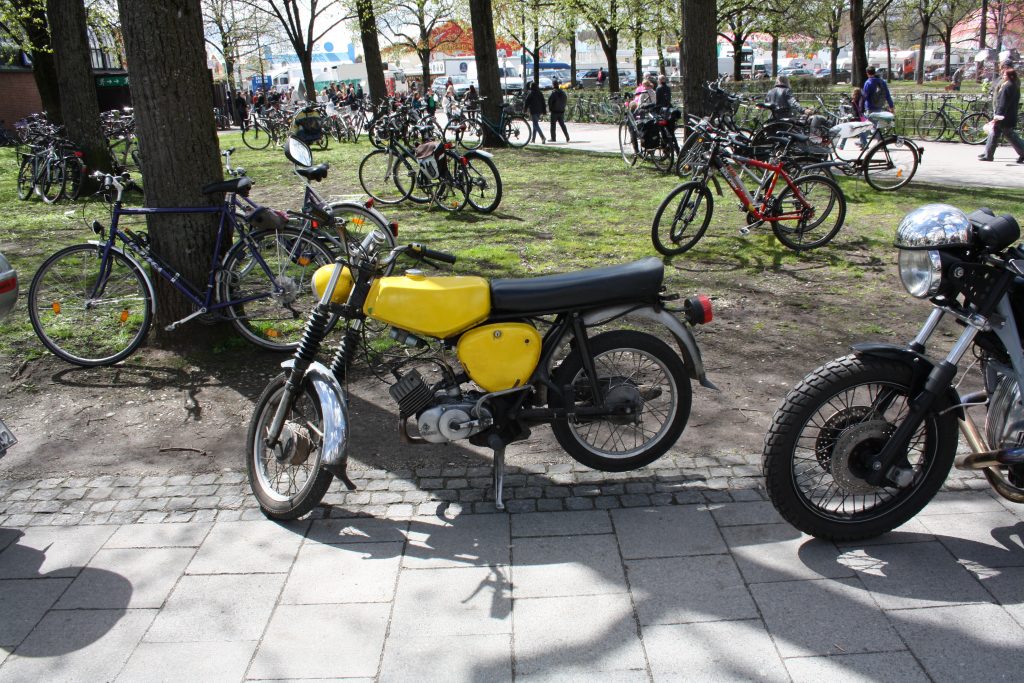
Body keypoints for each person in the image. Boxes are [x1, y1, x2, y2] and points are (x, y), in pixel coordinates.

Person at [979, 64, 1024, 163]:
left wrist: (997, 117)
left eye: (1004, 75)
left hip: (1004, 117)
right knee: (998, 134)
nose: (1003, 76)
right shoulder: (1014, 85)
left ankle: (988, 155)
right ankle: (988, 155)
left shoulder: (1007, 87)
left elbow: (1003, 103)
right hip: (1009, 115)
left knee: (1006, 135)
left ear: (1009, 76)